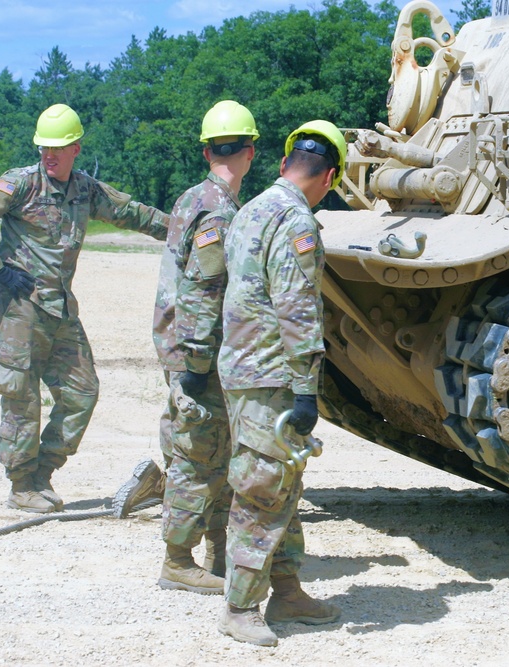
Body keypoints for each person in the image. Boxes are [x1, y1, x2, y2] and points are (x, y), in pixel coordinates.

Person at [0, 103, 169, 514]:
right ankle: (21, 486)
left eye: (58, 148)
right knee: (21, 396)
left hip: (61, 310)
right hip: (19, 307)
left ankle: (42, 474)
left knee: (82, 393)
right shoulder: (20, 184)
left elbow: (133, 213)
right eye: (43, 148)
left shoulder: (85, 189)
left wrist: (188, 227)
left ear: (76, 147)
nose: (49, 155)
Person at [215, 120, 346, 646]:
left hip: (243, 367)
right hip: (270, 374)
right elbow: (295, 308)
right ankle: (240, 606)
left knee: (284, 479)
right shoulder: (296, 220)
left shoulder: (249, 209)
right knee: (263, 486)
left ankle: (287, 590)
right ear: (330, 178)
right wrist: (306, 388)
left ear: (283, 163)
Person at [139, 100, 257, 595]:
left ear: (208, 150)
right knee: (197, 453)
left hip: (188, 345)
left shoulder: (193, 198)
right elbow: (205, 289)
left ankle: (216, 553)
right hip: (196, 351)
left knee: (215, 449)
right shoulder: (218, 210)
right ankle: (179, 559)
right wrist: (197, 364)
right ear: (250, 151)